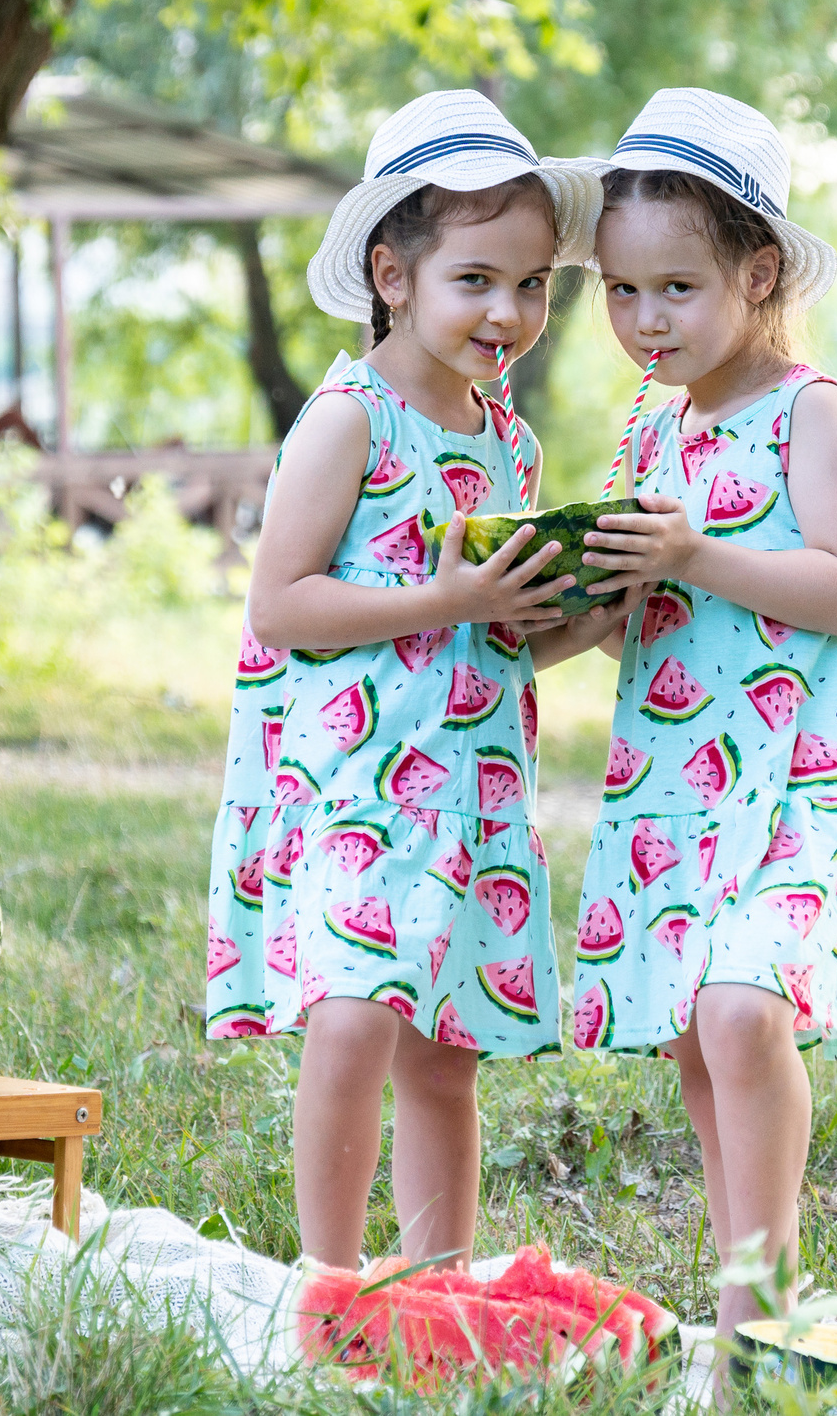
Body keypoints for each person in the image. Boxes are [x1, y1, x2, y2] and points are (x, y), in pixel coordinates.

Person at [204, 91, 627, 1270]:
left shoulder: (509, 443)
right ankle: (330, 1281)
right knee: (352, 1022)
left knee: (446, 1053)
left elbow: (486, 642)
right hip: (354, 784)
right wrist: (451, 599)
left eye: (537, 283)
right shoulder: (350, 420)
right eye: (478, 279)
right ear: (392, 273)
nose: (512, 310)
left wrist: (575, 624)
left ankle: (435, 1282)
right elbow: (281, 605)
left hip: (471, 788)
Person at [565, 88, 837, 1336]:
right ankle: (744, 1289)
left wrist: (689, 555)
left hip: (794, 772)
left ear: (760, 269)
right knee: (693, 1033)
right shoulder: (652, 428)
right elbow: (639, 600)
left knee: (740, 1009)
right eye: (621, 293)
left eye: (674, 288)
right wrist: (551, 610)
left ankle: (760, 1310)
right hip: (680, 773)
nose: (643, 320)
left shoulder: (811, 412)